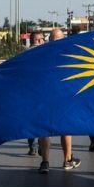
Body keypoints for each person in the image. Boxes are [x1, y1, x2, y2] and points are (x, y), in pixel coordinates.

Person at [37, 26, 79, 173]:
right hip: (62, 97)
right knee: (65, 129)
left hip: (46, 97)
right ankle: (67, 160)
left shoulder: (41, 54)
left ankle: (45, 162)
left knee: (44, 130)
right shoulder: (69, 54)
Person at [25, 30, 46, 156]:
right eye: (42, 39)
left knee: (31, 120)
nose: (43, 41)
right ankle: (41, 146)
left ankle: (33, 146)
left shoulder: (24, 54)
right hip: (41, 93)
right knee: (42, 120)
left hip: (29, 93)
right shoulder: (44, 52)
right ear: (38, 40)